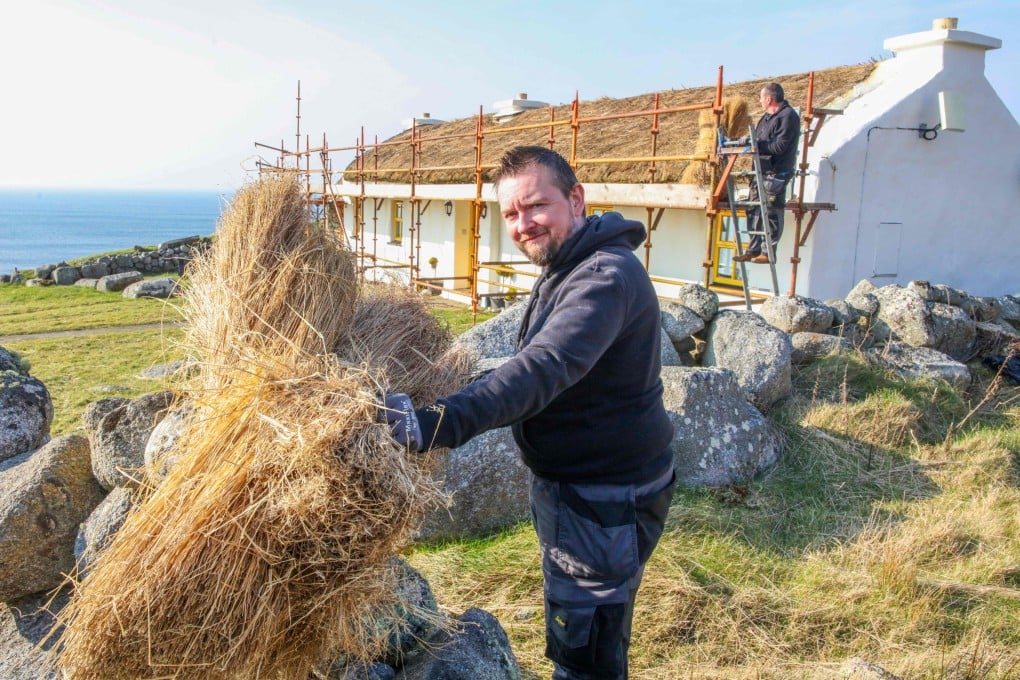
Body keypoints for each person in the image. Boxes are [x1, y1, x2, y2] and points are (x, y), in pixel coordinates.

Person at [385, 146, 676, 679]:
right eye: (512, 214)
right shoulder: (570, 264)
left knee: (586, 651)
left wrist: (429, 424)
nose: (523, 225)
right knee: (582, 618)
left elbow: (544, 366)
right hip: (583, 489)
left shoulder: (603, 278)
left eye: (536, 205)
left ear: (576, 199)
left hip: (603, 499)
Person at [733, 82, 801, 264]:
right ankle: (753, 249)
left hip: (776, 173)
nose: (760, 101)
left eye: (762, 98)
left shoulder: (788, 117)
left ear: (769, 99)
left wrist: (756, 146)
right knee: (753, 209)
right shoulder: (766, 118)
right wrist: (742, 141)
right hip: (760, 171)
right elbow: (758, 138)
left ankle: (768, 252)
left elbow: (779, 146)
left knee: (770, 212)